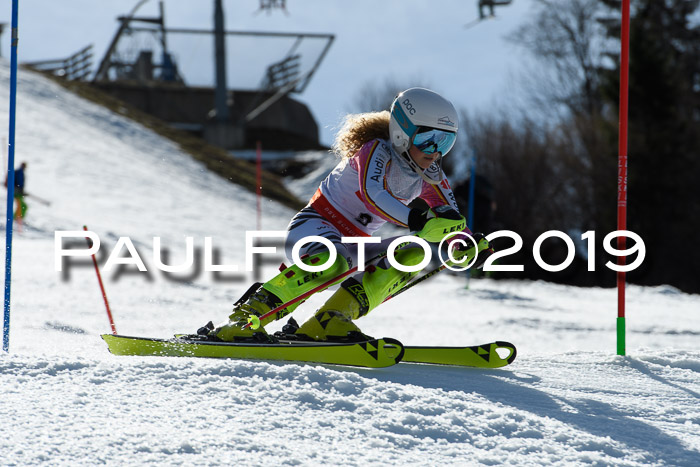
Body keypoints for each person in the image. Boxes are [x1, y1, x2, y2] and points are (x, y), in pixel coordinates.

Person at [197, 88, 493, 343]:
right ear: (403, 132)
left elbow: (450, 217)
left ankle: (329, 321)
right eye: (428, 139)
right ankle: (245, 318)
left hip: (355, 244)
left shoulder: (430, 173)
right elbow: (373, 195)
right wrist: (417, 220)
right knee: (333, 261)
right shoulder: (376, 150)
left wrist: (465, 241)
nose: (435, 151)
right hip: (315, 226)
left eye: (445, 142)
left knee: (412, 253)